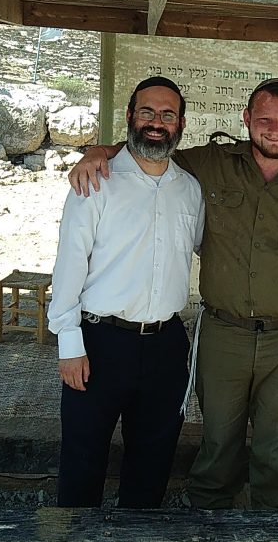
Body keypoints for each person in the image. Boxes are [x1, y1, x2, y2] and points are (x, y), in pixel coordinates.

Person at [69, 77, 278, 512]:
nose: (275, 129)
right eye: (264, 119)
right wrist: (100, 151)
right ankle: (210, 538)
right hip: (224, 333)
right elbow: (152, 142)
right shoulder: (211, 164)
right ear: (247, 120)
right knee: (217, 444)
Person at [48, 75, 204, 515]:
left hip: (166, 346)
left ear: (181, 124)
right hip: (99, 342)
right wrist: (68, 343)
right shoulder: (95, 183)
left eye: (167, 114)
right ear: (131, 118)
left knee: (153, 461)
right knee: (83, 456)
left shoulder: (190, 190)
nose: (157, 122)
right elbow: (69, 266)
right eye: (148, 112)